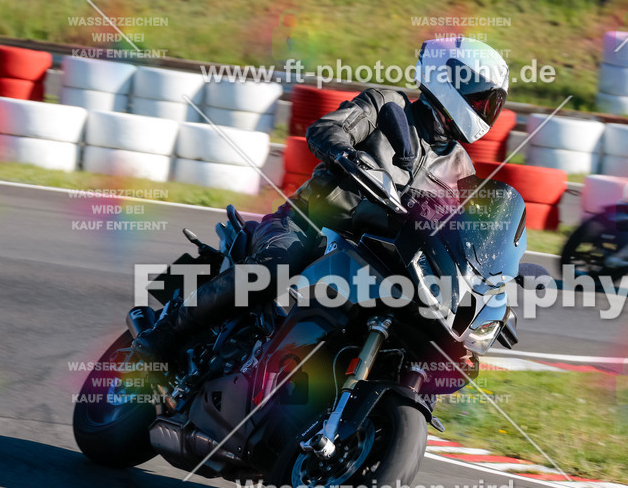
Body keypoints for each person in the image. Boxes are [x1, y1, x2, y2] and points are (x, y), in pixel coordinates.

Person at [133, 36, 510, 362]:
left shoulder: (460, 167)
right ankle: (161, 338)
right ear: (450, 82)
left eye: (492, 105)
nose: (485, 112)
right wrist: (346, 153)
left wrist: (491, 276)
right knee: (275, 267)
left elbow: (461, 230)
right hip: (309, 225)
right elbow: (328, 128)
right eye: (482, 101)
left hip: (380, 256)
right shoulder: (386, 106)